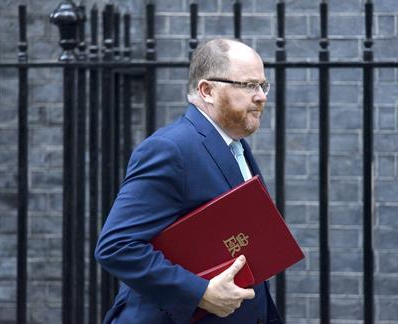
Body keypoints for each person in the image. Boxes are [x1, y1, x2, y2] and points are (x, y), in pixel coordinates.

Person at [95, 38, 282, 323]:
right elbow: (117, 246)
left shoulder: (237, 146)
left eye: (262, 85)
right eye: (248, 85)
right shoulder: (171, 149)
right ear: (207, 90)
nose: (261, 96)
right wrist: (200, 293)